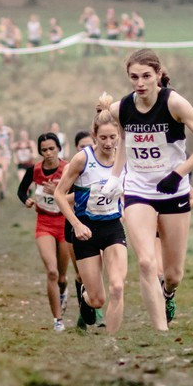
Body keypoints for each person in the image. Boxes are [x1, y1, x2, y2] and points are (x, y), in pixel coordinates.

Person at [110, 49, 193, 330]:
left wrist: (178, 173)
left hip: (173, 192)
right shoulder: (120, 109)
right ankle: (161, 331)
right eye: (134, 77)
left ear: (158, 74)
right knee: (145, 262)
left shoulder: (175, 104)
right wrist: (114, 177)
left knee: (173, 275)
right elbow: (120, 139)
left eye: (146, 76)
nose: (140, 82)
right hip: (138, 191)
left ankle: (168, 294)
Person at [54, 105, 128, 333]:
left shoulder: (124, 158)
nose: (108, 142)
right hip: (86, 230)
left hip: (113, 228)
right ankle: (86, 298)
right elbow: (59, 194)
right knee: (98, 300)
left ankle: (112, 342)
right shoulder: (82, 159)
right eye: (103, 137)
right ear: (94, 136)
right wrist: (76, 224)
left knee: (117, 286)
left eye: (113, 137)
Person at [18, 133, 72, 331]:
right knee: (51, 271)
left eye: (52, 149)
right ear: (40, 151)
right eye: (44, 150)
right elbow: (21, 190)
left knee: (62, 277)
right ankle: (58, 320)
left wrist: (57, 193)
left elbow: (79, 193)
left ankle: (63, 291)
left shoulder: (68, 168)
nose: (48, 153)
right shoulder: (35, 170)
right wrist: (27, 201)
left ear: (59, 148)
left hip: (64, 222)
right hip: (44, 223)